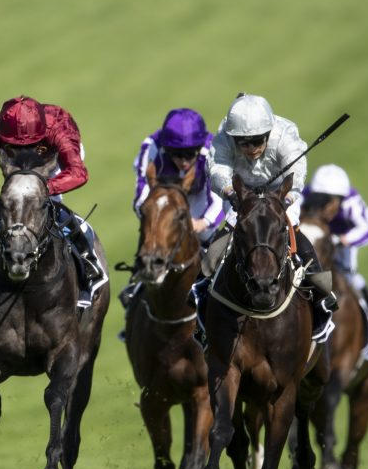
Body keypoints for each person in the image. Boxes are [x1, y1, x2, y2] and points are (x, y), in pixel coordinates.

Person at [0, 95, 104, 314]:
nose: (23, 147)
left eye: (30, 144)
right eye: (15, 145)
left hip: (52, 162)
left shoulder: (59, 127)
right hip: (15, 168)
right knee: (6, 203)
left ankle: (87, 261)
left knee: (47, 204)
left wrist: (44, 188)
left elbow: (78, 172)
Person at [200, 93, 336, 342]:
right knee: (213, 255)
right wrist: (231, 192)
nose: (250, 149)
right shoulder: (224, 136)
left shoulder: (285, 135)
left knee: (298, 242)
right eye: (243, 143)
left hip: (280, 198)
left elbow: (297, 171)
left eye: (256, 141)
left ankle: (322, 298)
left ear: (268, 133)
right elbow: (217, 167)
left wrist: (284, 200)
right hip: (242, 198)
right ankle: (200, 295)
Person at [301, 164, 368, 357]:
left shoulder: (352, 201)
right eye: (320, 198)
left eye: (330, 200)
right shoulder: (304, 194)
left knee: (352, 280)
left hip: (340, 246)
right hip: (313, 241)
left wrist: (340, 240)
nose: (325, 205)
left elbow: (366, 229)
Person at [133, 108, 224, 244]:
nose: (183, 161)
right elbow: (142, 196)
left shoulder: (212, 150)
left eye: (190, 153)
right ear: (166, 148)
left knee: (205, 235)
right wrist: (159, 220)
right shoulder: (151, 147)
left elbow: (219, 198)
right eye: (176, 153)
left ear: (199, 148)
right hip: (162, 201)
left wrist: (202, 223)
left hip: (199, 196)